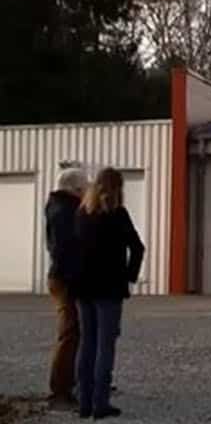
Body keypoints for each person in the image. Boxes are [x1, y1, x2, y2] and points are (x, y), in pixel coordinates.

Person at [70, 168, 144, 419]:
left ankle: (83, 402)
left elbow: (72, 250)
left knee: (86, 343)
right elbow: (138, 247)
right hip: (109, 289)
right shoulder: (118, 214)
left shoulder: (81, 214)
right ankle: (100, 403)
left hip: (83, 287)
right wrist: (129, 276)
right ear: (118, 189)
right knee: (105, 346)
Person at [44, 168, 89, 411]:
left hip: (62, 278)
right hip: (65, 280)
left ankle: (72, 383)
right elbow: (64, 250)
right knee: (69, 332)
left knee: (74, 331)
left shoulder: (59, 207)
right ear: (76, 189)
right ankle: (59, 392)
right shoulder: (65, 211)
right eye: (84, 188)